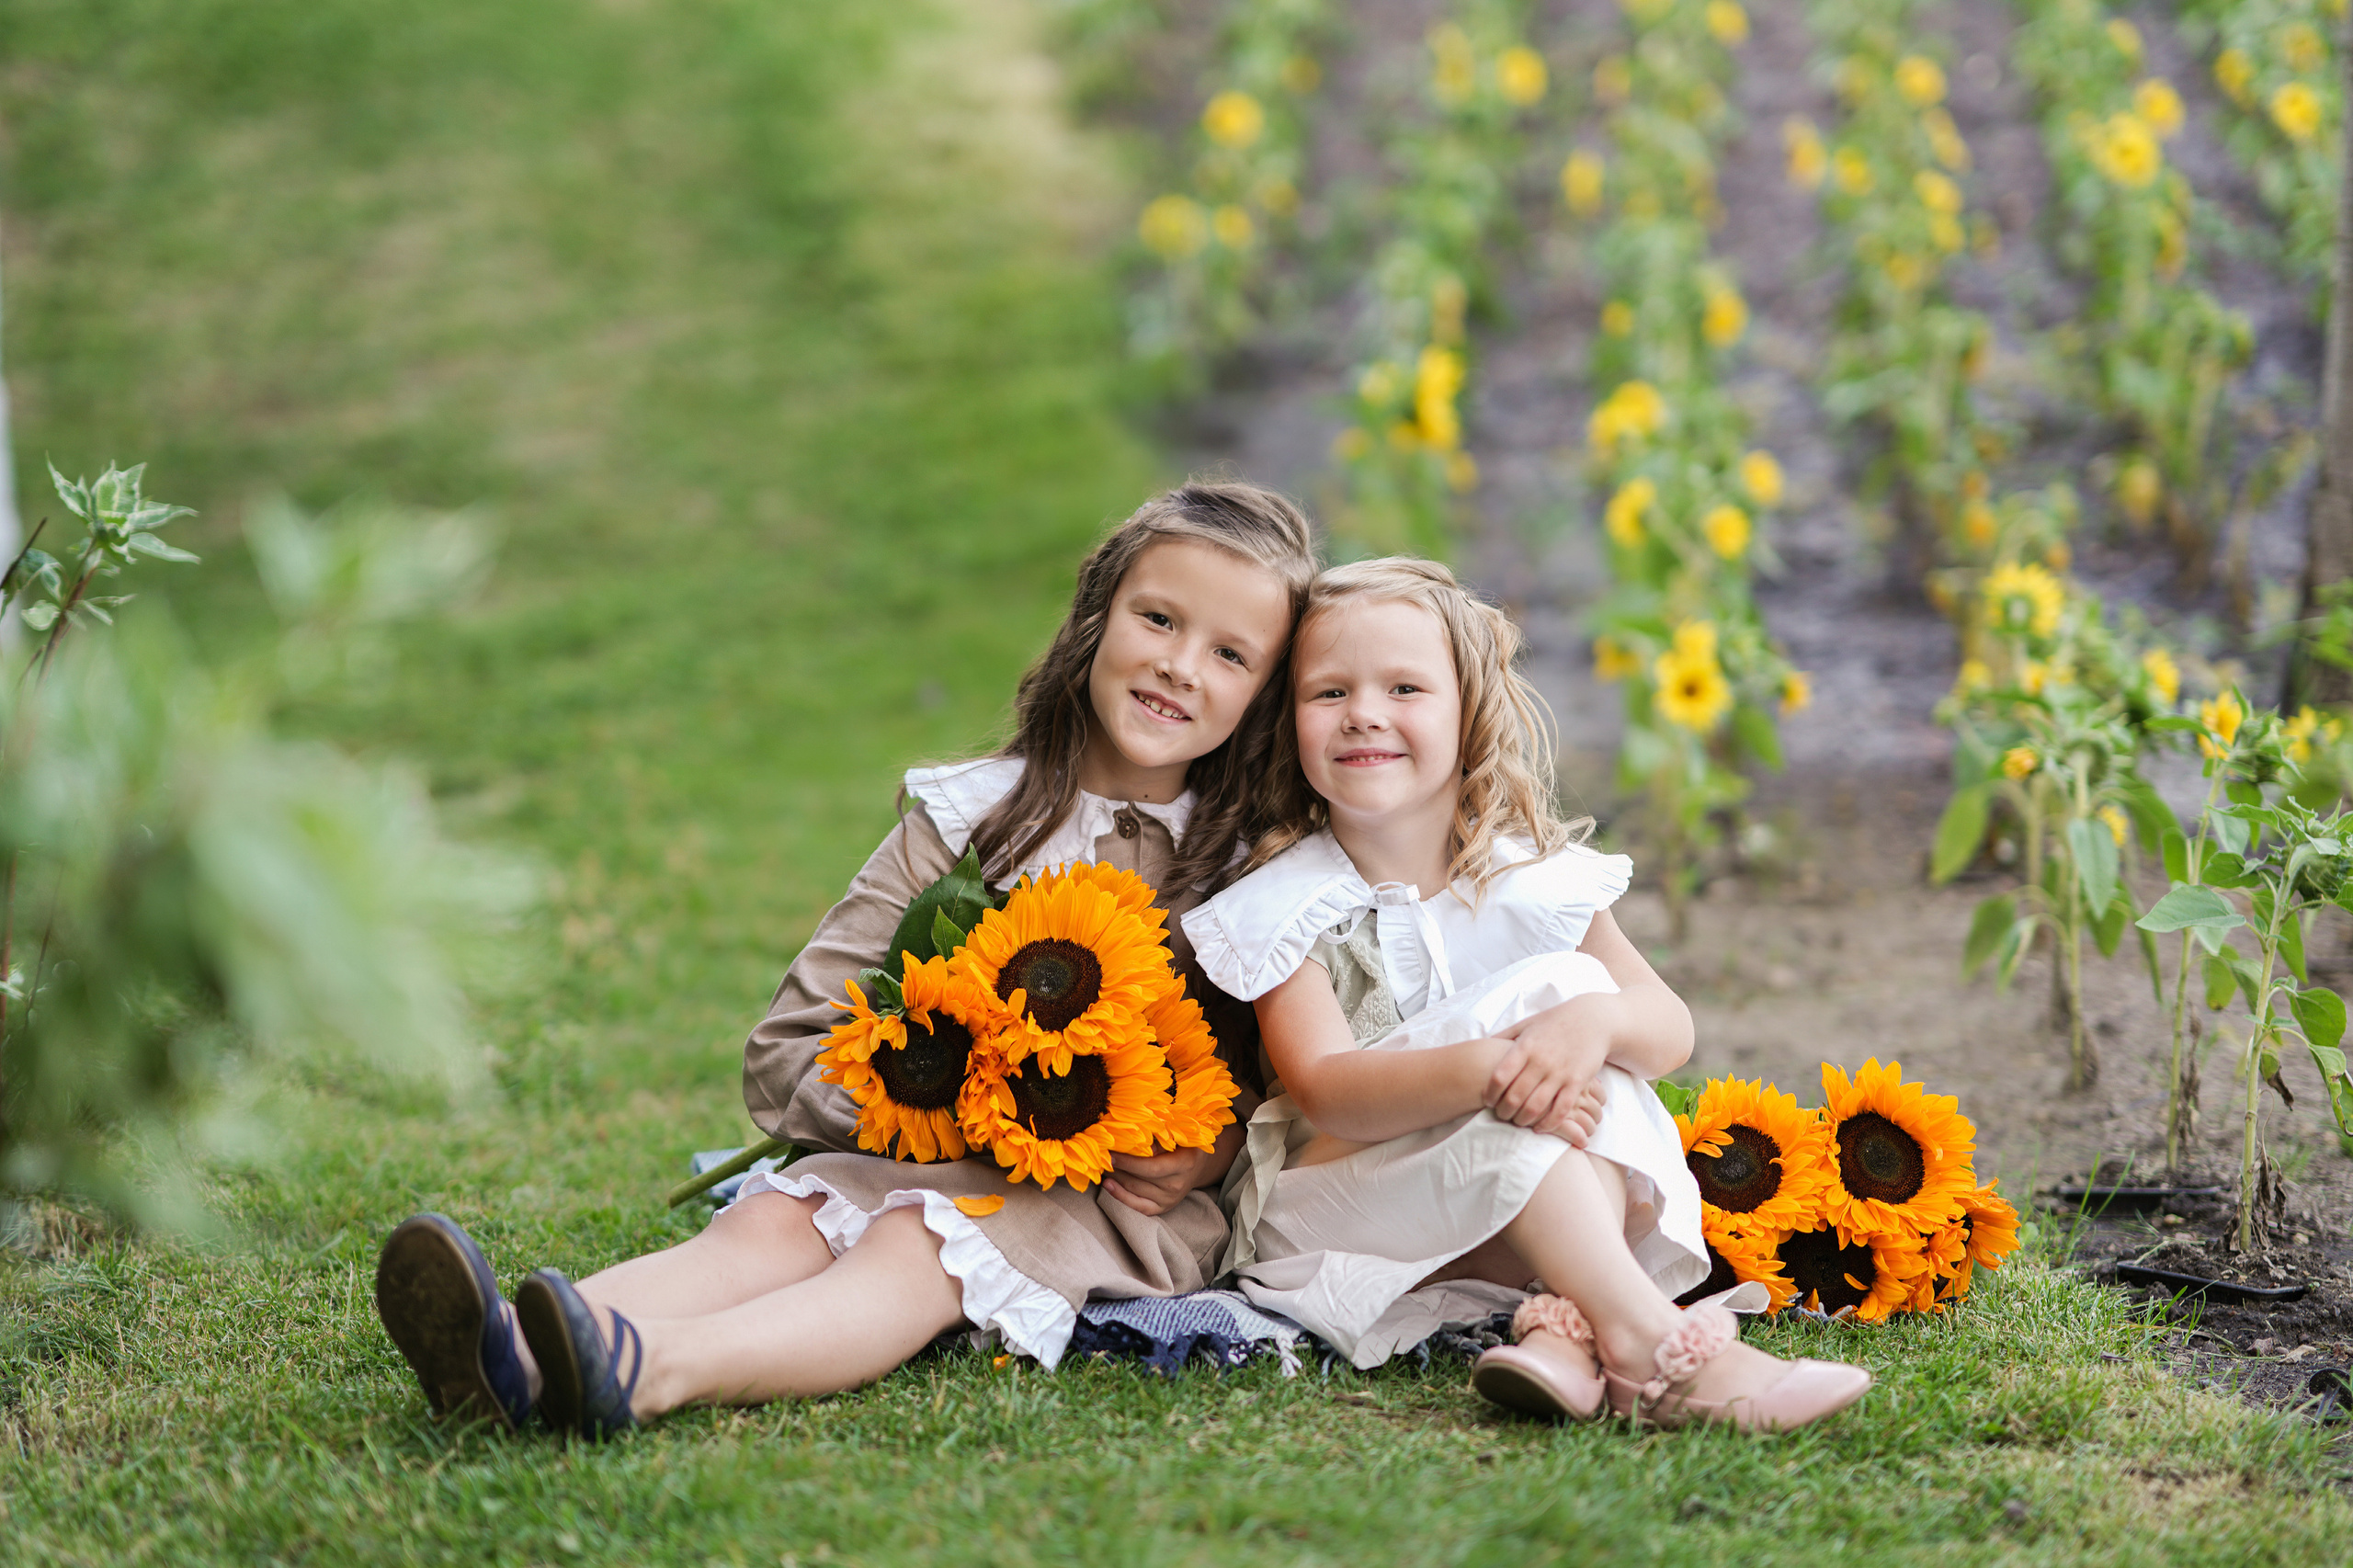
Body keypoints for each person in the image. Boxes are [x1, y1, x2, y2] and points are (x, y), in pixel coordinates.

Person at [374, 481, 1316, 1437]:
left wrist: (1212, 1149)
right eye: (1157, 618)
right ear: (1094, 617)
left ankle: (646, 1367)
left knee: (917, 1239)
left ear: (1264, 696)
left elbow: (1282, 1089)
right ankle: (510, 1348)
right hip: (922, 1149)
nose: (1179, 664)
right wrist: (941, 1089)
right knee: (776, 1216)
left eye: (1230, 653)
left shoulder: (1250, 871)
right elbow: (788, 1050)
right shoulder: (960, 825)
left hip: (1108, 1205)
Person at [1180, 558, 1870, 1431]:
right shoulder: (1285, 901)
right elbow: (1326, 1089)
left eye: (1404, 687)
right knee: (1553, 1022)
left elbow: (1668, 1029)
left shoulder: (1531, 881)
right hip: (1345, 1213)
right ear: (1289, 722)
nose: (1364, 713)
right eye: (1329, 693)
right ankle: (1660, 1351)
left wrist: (1590, 1025)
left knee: (1584, 1015)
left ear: (1468, 714)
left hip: (1503, 1214)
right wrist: (1494, 1069)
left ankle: (1569, 1330)